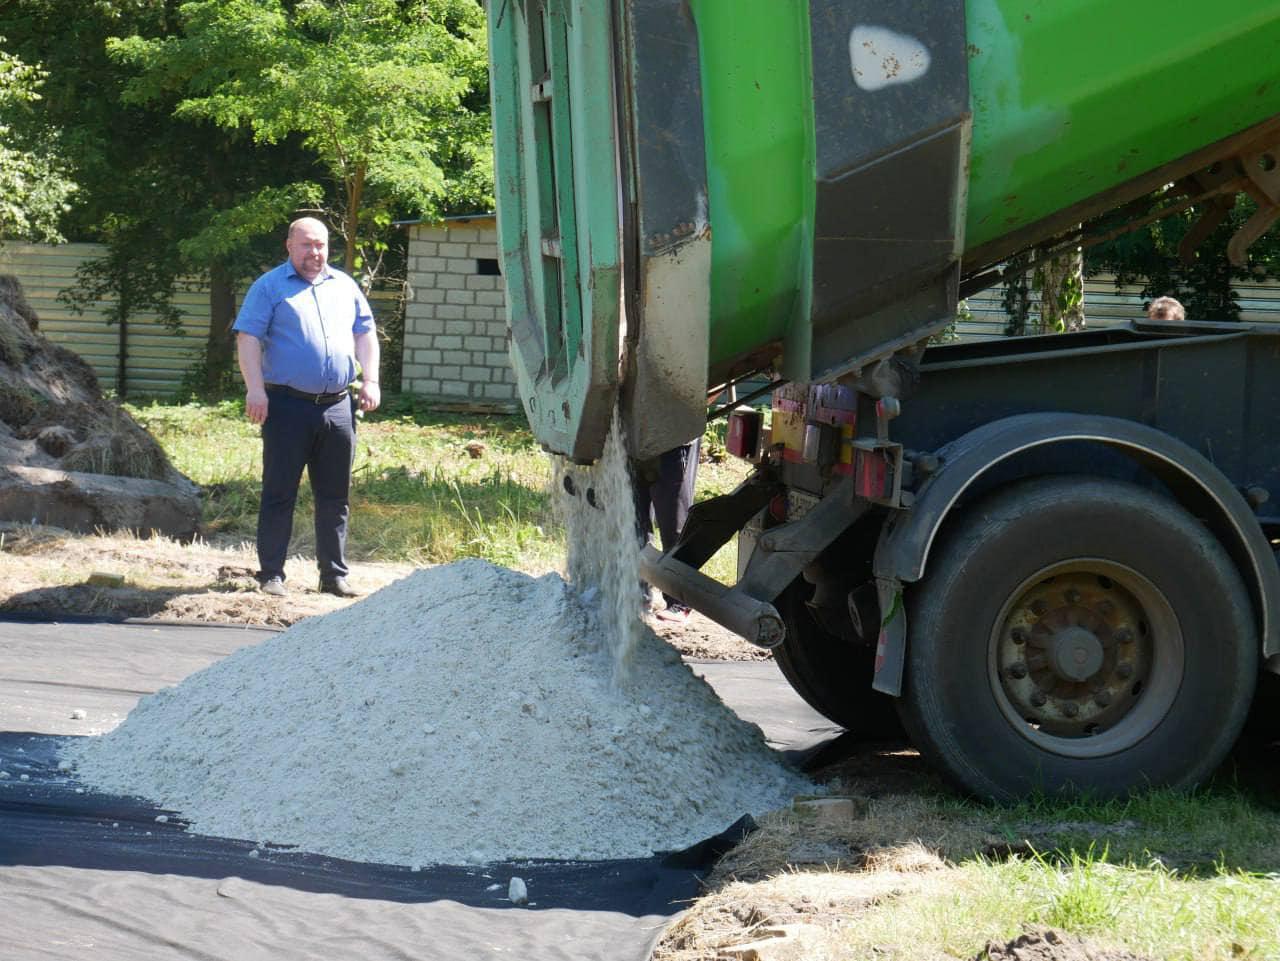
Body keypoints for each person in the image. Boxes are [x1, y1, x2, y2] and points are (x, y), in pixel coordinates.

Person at [233, 216, 381, 598]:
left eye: (321, 245)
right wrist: (255, 390)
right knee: (279, 492)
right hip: (286, 406)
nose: (315, 253)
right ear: (289, 246)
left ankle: (333, 576)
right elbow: (248, 337)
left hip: (337, 407)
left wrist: (371, 379)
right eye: (306, 245)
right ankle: (271, 575)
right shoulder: (269, 287)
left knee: (335, 495)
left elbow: (365, 332)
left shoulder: (344, 286)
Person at [633, 438, 700, 623]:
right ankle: (637, 594)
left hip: (674, 438)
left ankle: (680, 601)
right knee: (634, 521)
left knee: (674, 524)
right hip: (635, 437)